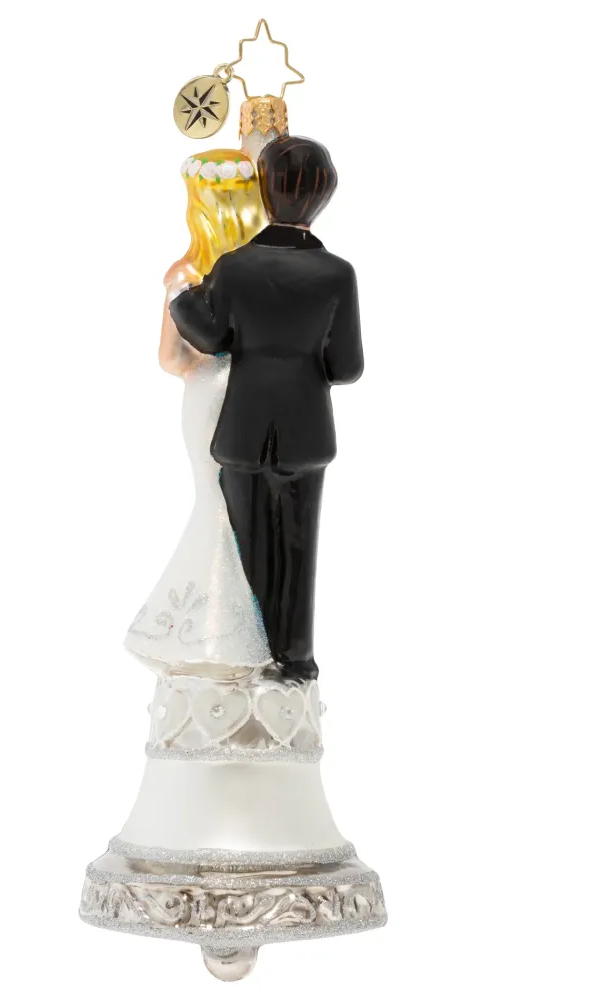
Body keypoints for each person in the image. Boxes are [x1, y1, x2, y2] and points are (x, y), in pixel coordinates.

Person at [170, 136, 363, 682]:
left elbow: (210, 337)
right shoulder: (337, 274)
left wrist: (181, 299)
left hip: (245, 426)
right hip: (306, 430)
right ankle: (295, 657)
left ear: (263, 192)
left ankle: (250, 650)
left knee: (248, 544)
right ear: (324, 197)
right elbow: (347, 366)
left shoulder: (235, 266)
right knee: (299, 546)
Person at [124, 150, 272, 680]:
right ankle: (251, 621)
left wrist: (203, 362)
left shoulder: (186, 272)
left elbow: (171, 358)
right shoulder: (265, 268)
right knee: (252, 503)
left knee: (213, 497)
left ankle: (214, 626)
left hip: (207, 391)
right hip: (258, 389)